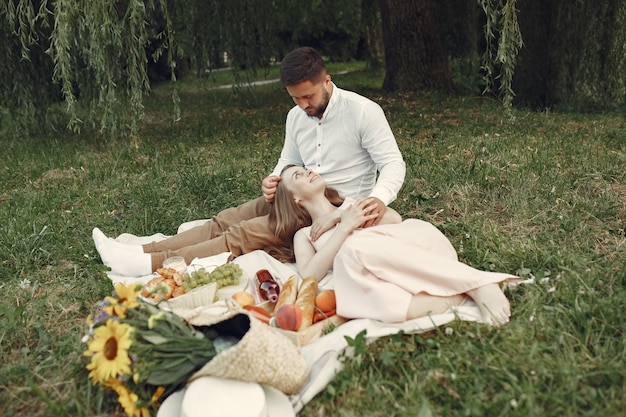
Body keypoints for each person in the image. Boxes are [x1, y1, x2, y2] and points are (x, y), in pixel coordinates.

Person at [93, 46, 406, 277]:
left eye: (308, 96)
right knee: (225, 219)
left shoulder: (363, 112)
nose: (302, 105)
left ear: (327, 80)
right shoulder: (296, 116)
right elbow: (288, 159)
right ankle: (144, 250)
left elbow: (393, 164)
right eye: (294, 98)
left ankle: (148, 265)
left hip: (329, 210)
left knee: (242, 235)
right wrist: (274, 179)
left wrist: (377, 199)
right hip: (295, 192)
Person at [270, 165, 519, 326]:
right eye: (298, 175)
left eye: (305, 168)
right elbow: (310, 274)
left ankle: (474, 286)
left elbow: (395, 220)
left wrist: (342, 214)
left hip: (417, 255)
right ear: (295, 198)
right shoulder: (305, 234)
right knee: (353, 251)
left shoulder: (351, 205)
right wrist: (345, 228)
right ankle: (465, 290)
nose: (308, 171)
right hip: (376, 270)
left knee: (418, 226)